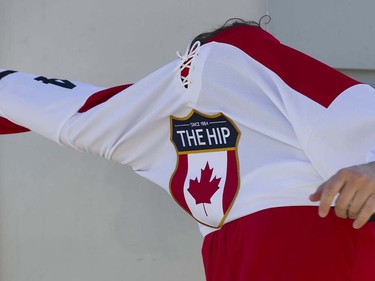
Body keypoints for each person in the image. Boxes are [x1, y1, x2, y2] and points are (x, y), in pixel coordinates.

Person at [1, 18, 375, 280]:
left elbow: (53, 104)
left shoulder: (157, 95)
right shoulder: (253, 55)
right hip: (317, 232)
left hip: (230, 253)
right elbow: (347, 105)